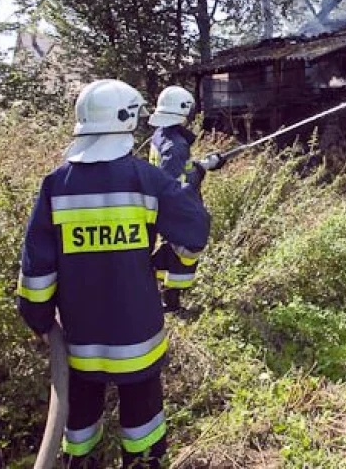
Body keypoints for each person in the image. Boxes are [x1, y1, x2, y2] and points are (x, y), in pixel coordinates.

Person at [16, 79, 211, 468]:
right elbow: (196, 231)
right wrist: (167, 261)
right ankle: (142, 461)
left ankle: (81, 461)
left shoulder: (56, 185)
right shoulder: (146, 180)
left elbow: (37, 267)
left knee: (81, 414)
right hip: (138, 335)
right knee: (143, 414)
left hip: (78, 340)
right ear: (126, 121)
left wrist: (38, 320)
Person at [147, 86, 225, 313]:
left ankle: (169, 298)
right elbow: (176, 183)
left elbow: (177, 170)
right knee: (190, 244)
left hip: (161, 202)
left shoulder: (162, 135)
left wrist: (202, 164)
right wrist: (202, 169)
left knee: (174, 246)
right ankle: (166, 295)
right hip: (173, 206)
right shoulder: (175, 145)